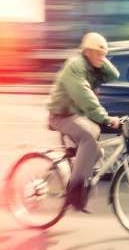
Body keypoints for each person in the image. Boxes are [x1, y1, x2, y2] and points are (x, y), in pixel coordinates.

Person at [47, 32, 120, 212]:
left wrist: (101, 55)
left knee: (96, 149)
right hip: (61, 115)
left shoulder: (92, 66)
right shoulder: (76, 66)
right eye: (98, 53)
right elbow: (83, 95)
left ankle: (79, 186)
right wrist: (105, 118)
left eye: (105, 55)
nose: (102, 58)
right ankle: (75, 191)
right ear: (87, 52)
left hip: (75, 115)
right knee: (89, 135)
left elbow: (114, 74)